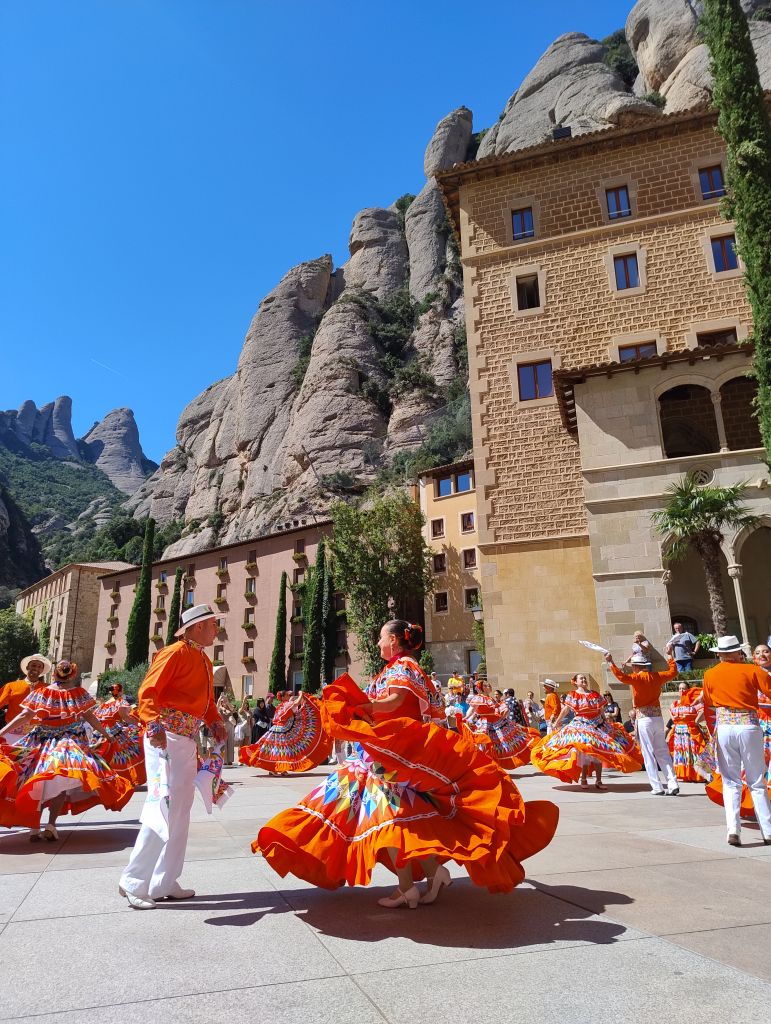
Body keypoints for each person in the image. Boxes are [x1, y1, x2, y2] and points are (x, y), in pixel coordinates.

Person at [253, 619, 559, 908]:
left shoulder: (404, 666)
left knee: (384, 818)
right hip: (386, 754)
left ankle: (408, 885)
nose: (376, 643)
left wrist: (363, 706)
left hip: (395, 755)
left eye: (381, 637)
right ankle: (426, 874)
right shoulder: (400, 667)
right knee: (394, 818)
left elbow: (397, 702)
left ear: (394, 640)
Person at [119, 604, 226, 909]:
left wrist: (215, 722)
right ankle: (134, 881)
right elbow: (148, 691)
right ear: (197, 627)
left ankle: (164, 882)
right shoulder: (174, 652)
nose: (216, 629)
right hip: (164, 737)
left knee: (180, 809)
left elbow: (204, 703)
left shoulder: (204, 660)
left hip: (186, 740)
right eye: (213, 624)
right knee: (163, 805)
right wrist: (152, 724)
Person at [0, 660, 130, 840]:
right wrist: (106, 734)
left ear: (54, 673)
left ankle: (35, 826)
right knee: (60, 779)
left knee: (37, 780)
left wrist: (2, 731)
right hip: (68, 742)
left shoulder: (43, 692)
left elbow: (26, 715)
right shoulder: (78, 693)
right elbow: (90, 717)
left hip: (43, 740)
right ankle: (50, 824)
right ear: (73, 674)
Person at [701, 635, 771, 846]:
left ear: (720, 653)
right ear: (738, 652)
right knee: (756, 781)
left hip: (725, 726)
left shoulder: (710, 674)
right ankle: (768, 831)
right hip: (748, 725)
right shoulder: (752, 670)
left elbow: (709, 701)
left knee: (731, 781)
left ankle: (733, 830)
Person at [531, 673, 641, 790]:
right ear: (576, 682)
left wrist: (605, 722)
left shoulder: (594, 694)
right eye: (581, 678)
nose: (583, 680)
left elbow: (601, 710)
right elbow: (565, 710)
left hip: (597, 724)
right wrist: (558, 722)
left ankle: (598, 780)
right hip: (582, 724)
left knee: (599, 752)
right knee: (584, 750)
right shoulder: (573, 694)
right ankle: (584, 778)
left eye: (584, 678)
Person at [605, 650, 679, 795]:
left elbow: (621, 676)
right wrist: (670, 656)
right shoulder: (657, 676)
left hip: (644, 718)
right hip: (658, 718)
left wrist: (610, 662)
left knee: (648, 753)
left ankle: (657, 787)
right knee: (662, 751)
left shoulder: (636, 678)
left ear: (636, 667)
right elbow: (673, 672)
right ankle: (672, 782)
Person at [240, 691, 332, 773]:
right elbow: (296, 703)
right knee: (277, 751)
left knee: (280, 751)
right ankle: (274, 769)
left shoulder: (281, 706)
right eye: (288, 695)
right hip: (279, 731)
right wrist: (301, 695)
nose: (289, 696)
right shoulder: (286, 705)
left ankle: (281, 768)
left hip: (278, 730)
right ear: (283, 697)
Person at [463, 680, 541, 770]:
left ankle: (492, 765)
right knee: (485, 744)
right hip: (486, 724)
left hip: (497, 723)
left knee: (505, 743)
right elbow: (472, 710)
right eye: (486, 686)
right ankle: (484, 765)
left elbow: (501, 709)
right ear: (481, 688)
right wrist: (466, 718)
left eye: (488, 685)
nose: (489, 687)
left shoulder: (490, 699)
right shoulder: (479, 698)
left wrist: (503, 717)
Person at [93, 683, 146, 788]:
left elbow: (97, 717)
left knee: (103, 754)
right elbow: (125, 717)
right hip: (113, 729)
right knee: (127, 753)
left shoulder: (105, 703)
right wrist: (138, 723)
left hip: (101, 731)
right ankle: (124, 779)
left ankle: (105, 780)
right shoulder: (120, 702)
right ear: (120, 691)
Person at [0, 654, 51, 735]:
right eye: (33, 665)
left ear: (42, 670)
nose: (36, 668)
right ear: (27, 667)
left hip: (37, 734)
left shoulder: (48, 689)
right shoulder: (11, 686)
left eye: (39, 666)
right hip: (12, 733)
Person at [665, 681, 706, 784]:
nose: (681, 690)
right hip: (679, 732)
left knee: (693, 752)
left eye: (683, 688)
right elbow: (672, 716)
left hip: (690, 731)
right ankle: (685, 774)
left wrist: (696, 721)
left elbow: (703, 711)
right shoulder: (674, 704)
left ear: (688, 690)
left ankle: (696, 774)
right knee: (682, 752)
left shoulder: (693, 703)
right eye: (679, 688)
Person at [216, 692, 236, 765]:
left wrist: (227, 702)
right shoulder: (220, 708)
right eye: (222, 701)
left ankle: (230, 760)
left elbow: (233, 710)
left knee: (230, 742)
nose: (223, 701)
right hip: (223, 726)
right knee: (224, 743)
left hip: (230, 725)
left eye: (224, 700)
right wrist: (219, 699)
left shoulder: (229, 706)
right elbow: (216, 708)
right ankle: (224, 760)